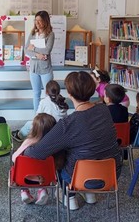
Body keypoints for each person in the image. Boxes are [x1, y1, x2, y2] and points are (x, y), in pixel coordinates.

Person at [24, 71, 121, 211]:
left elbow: (37, 152)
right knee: (89, 148)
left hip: (78, 176)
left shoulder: (67, 124)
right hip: (112, 173)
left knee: (61, 155)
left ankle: (69, 198)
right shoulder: (104, 110)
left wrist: (26, 145)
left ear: (69, 93)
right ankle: (90, 195)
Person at [12, 113, 57, 205]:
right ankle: (43, 190)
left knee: (17, 167)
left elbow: (14, 158)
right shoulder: (55, 144)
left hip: (25, 178)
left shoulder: (29, 141)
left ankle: (24, 191)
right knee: (46, 169)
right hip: (46, 178)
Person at [25, 11, 55, 113]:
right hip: (33, 69)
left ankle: (48, 116)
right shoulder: (33, 33)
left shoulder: (50, 34)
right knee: (36, 93)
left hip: (45, 68)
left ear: (45, 21)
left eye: (40, 20)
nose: (37, 23)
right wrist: (37, 54)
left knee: (49, 94)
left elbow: (47, 50)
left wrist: (33, 48)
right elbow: (26, 49)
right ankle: (36, 117)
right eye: (36, 20)